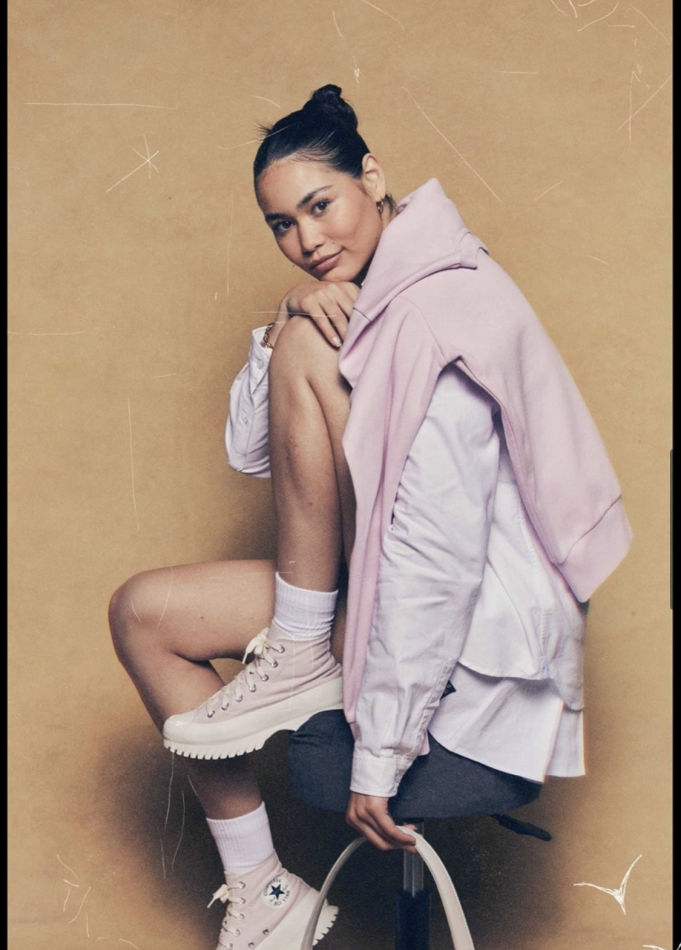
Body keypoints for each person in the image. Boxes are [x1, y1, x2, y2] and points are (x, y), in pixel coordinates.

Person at [109, 84, 631, 950]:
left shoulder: (432, 310)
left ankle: (302, 645)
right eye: (282, 225)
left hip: (468, 635)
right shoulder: (358, 298)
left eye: (321, 206)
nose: (307, 241)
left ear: (374, 178)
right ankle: (262, 888)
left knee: (309, 351)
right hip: (372, 584)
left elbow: (437, 566)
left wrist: (381, 756)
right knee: (142, 614)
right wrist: (284, 321)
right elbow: (251, 450)